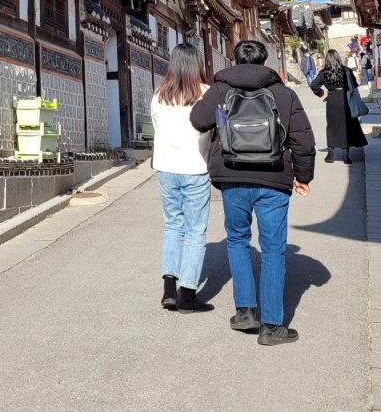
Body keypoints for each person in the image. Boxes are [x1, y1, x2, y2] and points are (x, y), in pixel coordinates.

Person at [191, 39, 315, 346]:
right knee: (273, 249)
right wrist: (303, 177)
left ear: (234, 61)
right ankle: (271, 326)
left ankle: (245, 311)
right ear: (264, 62)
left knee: (237, 240)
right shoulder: (283, 93)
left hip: (232, 175)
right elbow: (302, 139)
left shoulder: (220, 89)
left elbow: (197, 120)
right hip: (274, 178)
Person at [150, 43, 213, 314]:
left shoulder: (160, 94)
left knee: (172, 226)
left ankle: (168, 289)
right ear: (196, 64)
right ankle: (187, 294)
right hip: (196, 166)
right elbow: (214, 127)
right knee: (195, 231)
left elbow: (157, 126)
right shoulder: (206, 93)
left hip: (166, 167)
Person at [311, 49, 368, 164]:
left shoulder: (324, 72)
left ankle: (330, 154)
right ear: (338, 57)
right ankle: (346, 156)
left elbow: (314, 85)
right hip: (346, 99)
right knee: (347, 125)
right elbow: (354, 85)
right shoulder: (346, 70)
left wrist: (322, 94)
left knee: (332, 126)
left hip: (332, 100)